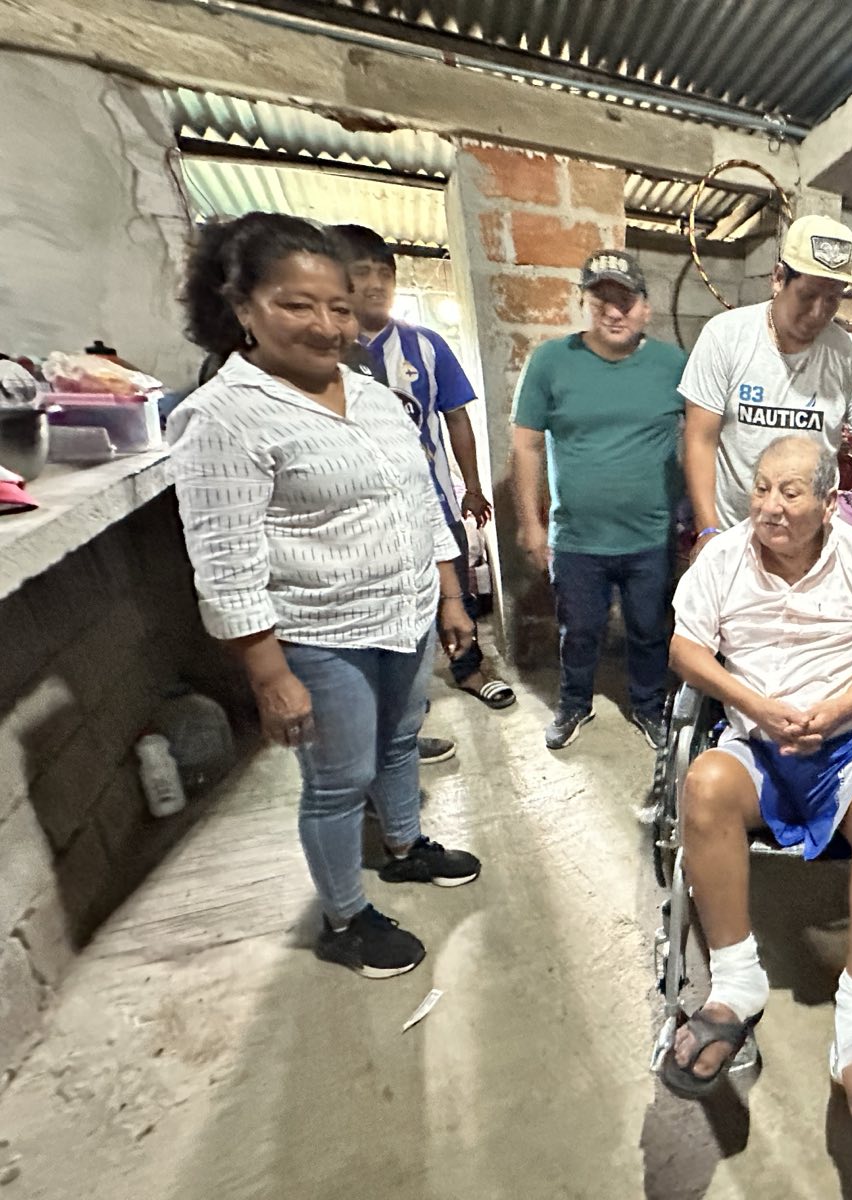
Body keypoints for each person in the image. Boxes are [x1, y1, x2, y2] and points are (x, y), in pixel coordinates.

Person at [169, 213, 482, 978]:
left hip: (405, 612)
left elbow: (420, 501)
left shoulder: (372, 396)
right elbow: (225, 562)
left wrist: (449, 596)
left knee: (400, 741)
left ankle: (404, 846)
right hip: (320, 633)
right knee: (338, 781)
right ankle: (345, 919)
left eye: (339, 307)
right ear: (242, 307)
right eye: (296, 305)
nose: (325, 325)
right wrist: (270, 676)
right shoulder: (225, 414)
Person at [660, 436, 852, 1122]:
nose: (770, 506)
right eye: (762, 488)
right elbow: (685, 649)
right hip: (758, 741)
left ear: (828, 503)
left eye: (791, 492)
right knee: (704, 783)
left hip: (847, 742)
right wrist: (754, 705)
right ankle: (735, 983)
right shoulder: (723, 558)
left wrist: (835, 709)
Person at [330, 223, 517, 712]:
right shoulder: (326, 351)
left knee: (455, 591)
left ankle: (469, 669)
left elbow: (456, 418)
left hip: (432, 502)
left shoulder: (426, 345)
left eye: (385, 274)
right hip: (360, 514)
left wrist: (471, 487)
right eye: (362, 273)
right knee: (382, 603)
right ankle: (399, 696)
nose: (376, 284)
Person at [510, 249, 687, 751]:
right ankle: (574, 702)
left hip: (650, 534)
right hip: (577, 538)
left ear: (645, 308)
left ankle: (648, 705)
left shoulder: (673, 365)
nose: (613, 311)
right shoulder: (550, 361)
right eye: (600, 299)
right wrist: (530, 524)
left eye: (625, 300)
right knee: (580, 629)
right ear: (584, 303)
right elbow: (525, 445)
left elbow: (704, 437)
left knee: (649, 628)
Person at [680, 214, 852, 560]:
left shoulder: (850, 356)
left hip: (811, 545)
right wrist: (708, 531)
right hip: (735, 538)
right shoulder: (726, 337)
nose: (818, 312)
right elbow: (700, 439)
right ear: (779, 279)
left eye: (832, 298)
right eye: (807, 296)